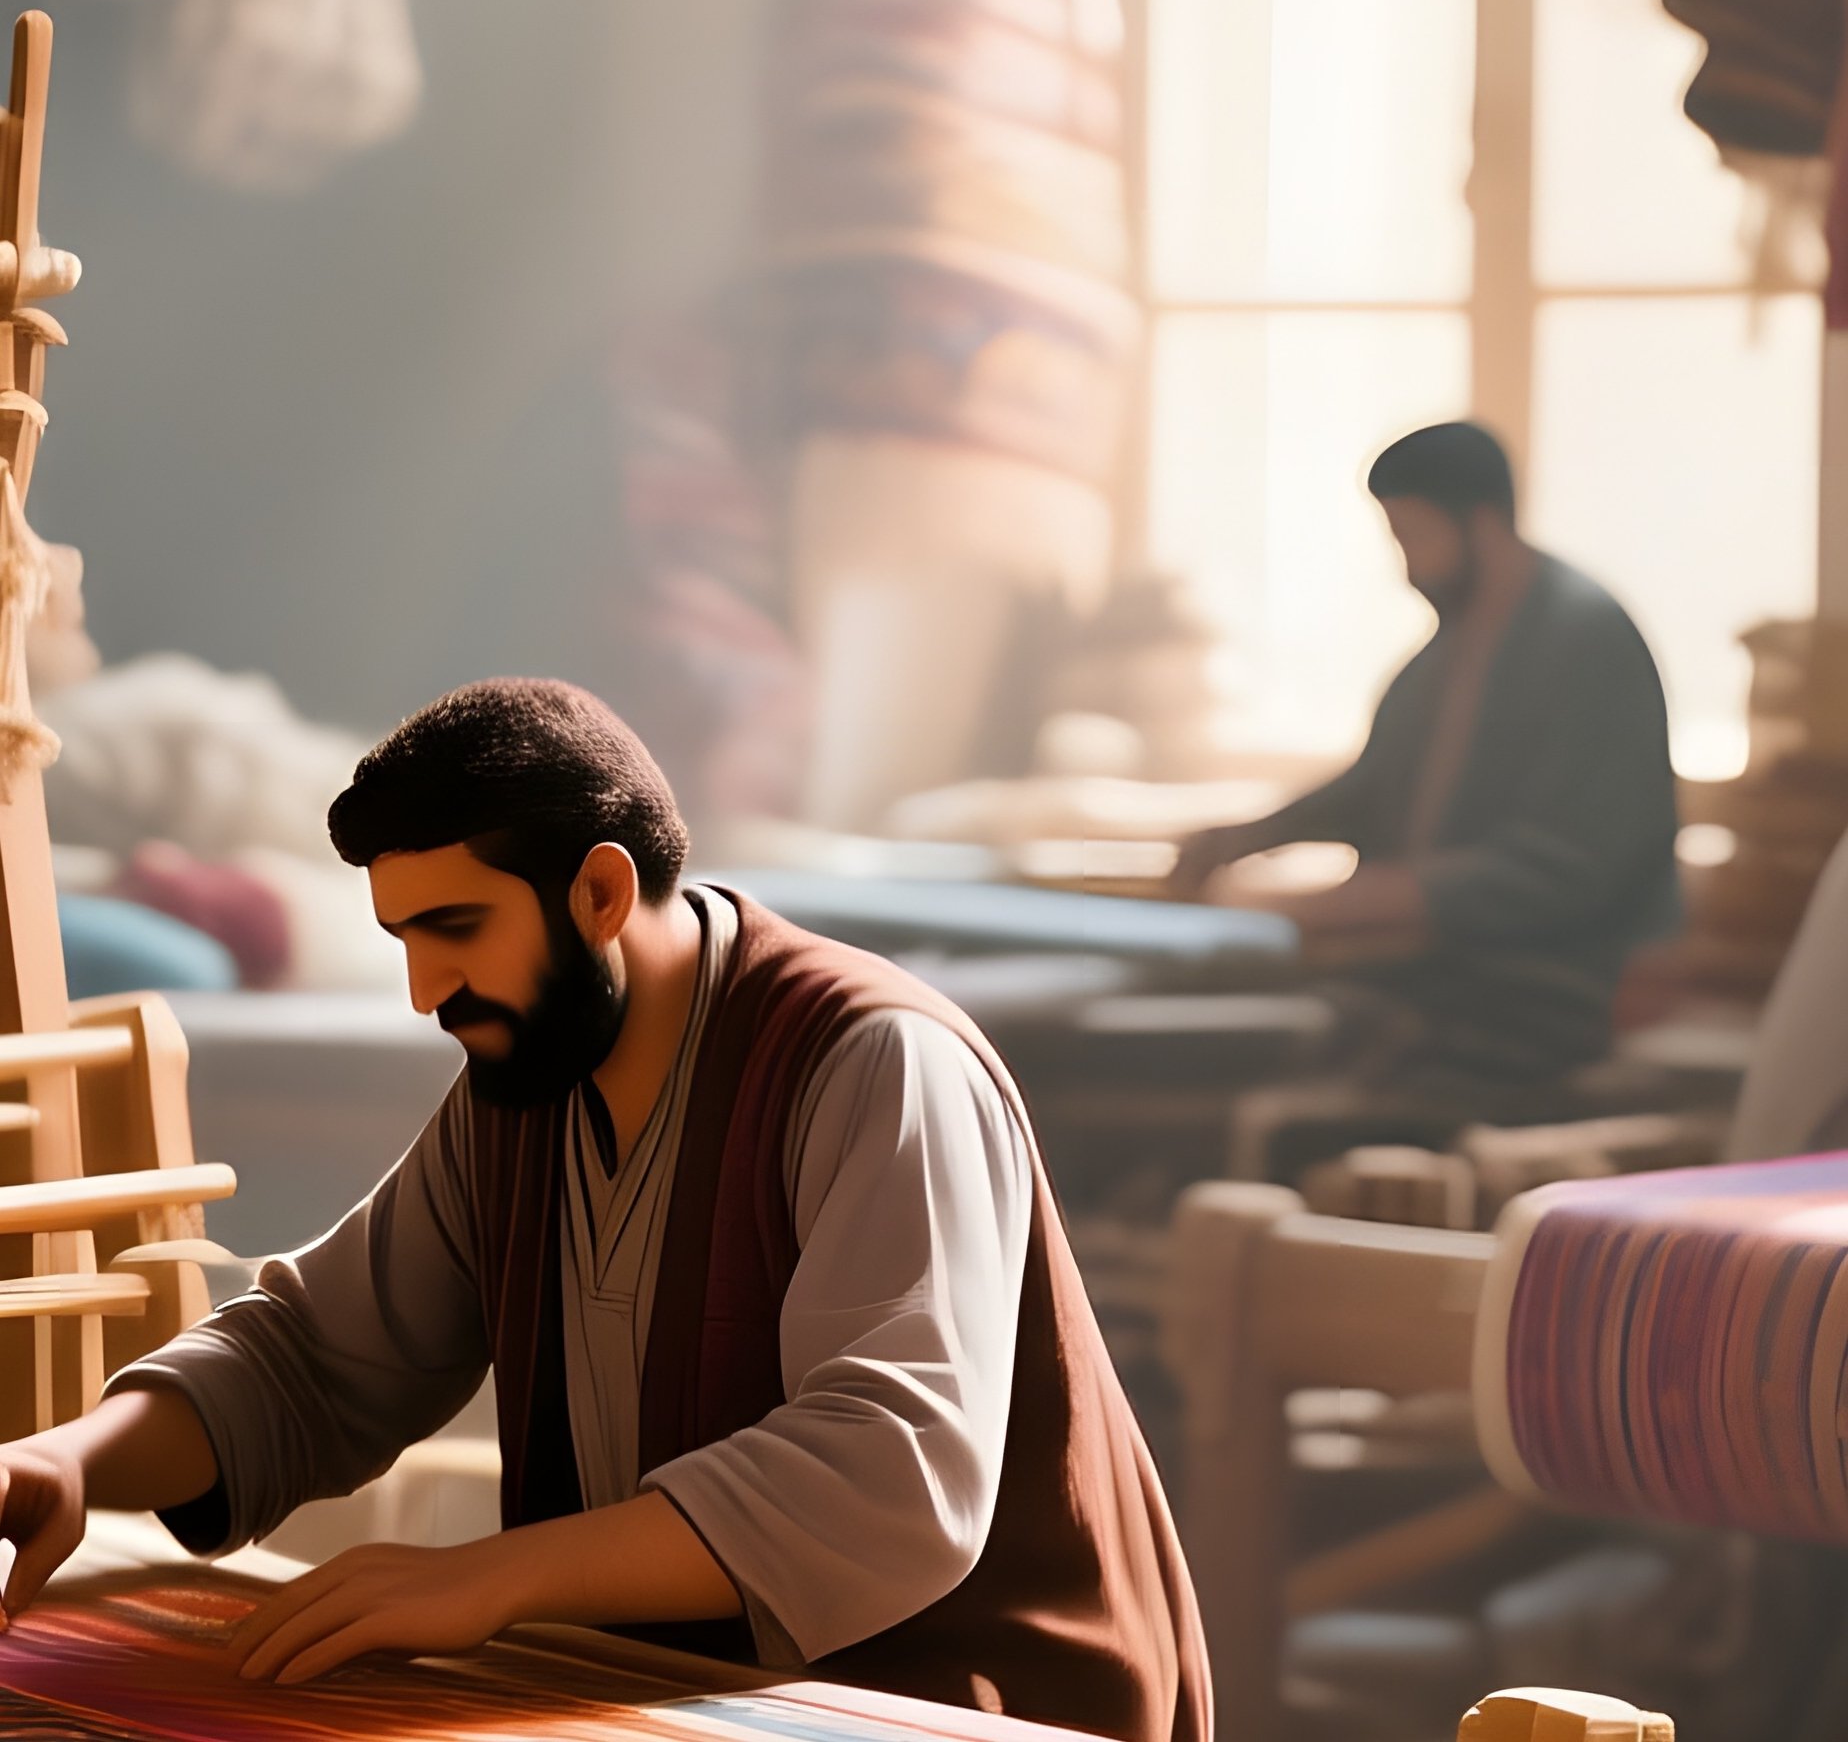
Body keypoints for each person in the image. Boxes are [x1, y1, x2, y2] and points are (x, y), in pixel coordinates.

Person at [0, 678, 1209, 1742]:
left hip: (960, 1703)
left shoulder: (875, 1062)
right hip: (674, 1695)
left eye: (456, 929)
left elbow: (889, 1471)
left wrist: (492, 1580)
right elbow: (317, 1356)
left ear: (598, 891)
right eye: (402, 939)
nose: (426, 990)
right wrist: (72, 1460)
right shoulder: (519, 1086)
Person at [1172, 422, 1680, 1176]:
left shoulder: (1587, 639)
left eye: (1414, 536)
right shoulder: (1441, 657)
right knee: (1181, 1030)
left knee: (1258, 1085)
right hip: (1429, 974)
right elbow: (1369, 788)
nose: (1406, 566)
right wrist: (1248, 837)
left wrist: (1342, 904)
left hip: (1543, 991)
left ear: (1480, 521)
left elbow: (1567, 867)